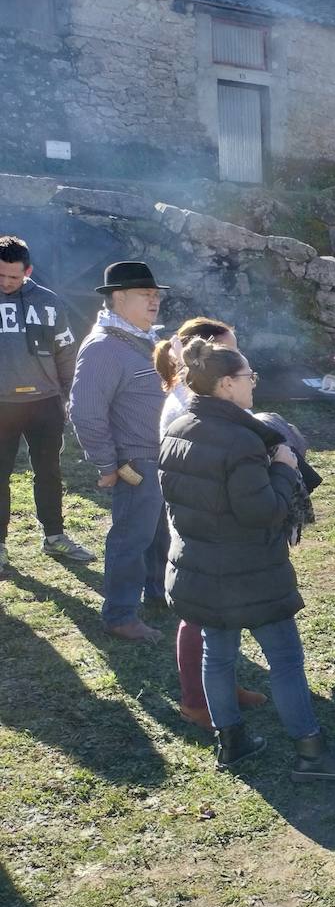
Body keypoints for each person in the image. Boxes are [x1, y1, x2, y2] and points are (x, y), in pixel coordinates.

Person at [160, 338, 335, 780]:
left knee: (218, 655)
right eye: (249, 377)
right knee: (286, 659)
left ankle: (231, 744)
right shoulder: (242, 440)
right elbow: (263, 510)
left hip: (197, 566)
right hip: (249, 571)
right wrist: (285, 466)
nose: (254, 383)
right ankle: (311, 753)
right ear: (227, 384)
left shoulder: (176, 427)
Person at [152, 317, 266, 731]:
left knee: (219, 614)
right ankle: (195, 700)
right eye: (231, 351)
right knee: (197, 617)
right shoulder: (187, 403)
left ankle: (220, 684)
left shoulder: (196, 397)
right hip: (201, 521)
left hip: (213, 518)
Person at [69, 261, 173, 643]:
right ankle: (119, 614)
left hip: (158, 457)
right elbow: (84, 411)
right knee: (131, 537)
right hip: (136, 460)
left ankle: (158, 593)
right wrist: (107, 463)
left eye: (155, 294)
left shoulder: (142, 339)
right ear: (117, 298)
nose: (154, 300)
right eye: (144, 294)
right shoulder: (104, 347)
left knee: (158, 534)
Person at [0, 234, 94, 571]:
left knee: (50, 473)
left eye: (14, 276)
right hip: (1, 405)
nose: (7, 282)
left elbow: (65, 353)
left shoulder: (48, 302)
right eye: (1, 275)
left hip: (45, 403)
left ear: (28, 271)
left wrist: (69, 395)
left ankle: (54, 537)